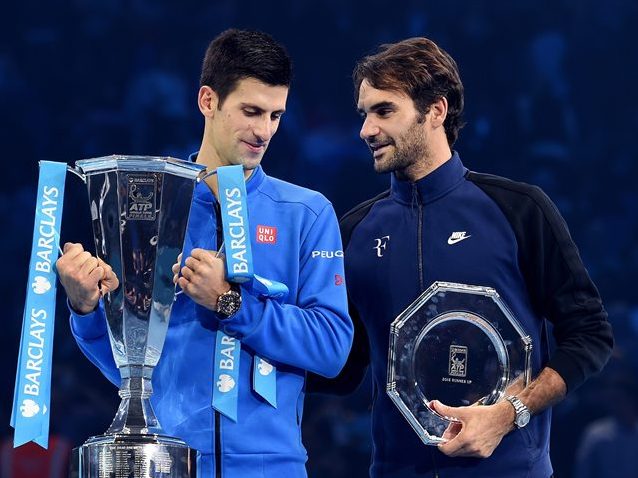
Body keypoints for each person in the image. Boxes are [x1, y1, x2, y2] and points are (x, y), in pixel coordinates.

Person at [309, 37, 613, 477]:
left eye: (384, 111)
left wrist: (510, 413)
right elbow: (344, 368)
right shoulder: (354, 231)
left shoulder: (518, 209)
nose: (366, 130)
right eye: (364, 114)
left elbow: (590, 335)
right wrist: (242, 321)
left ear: (436, 110)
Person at [56, 29, 353, 478]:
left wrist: (230, 304)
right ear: (207, 101)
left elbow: (331, 348)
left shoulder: (307, 213)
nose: (264, 131)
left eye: (275, 115)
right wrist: (85, 307)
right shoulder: (148, 207)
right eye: (251, 111)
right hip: (168, 460)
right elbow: (125, 365)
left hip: (271, 466)